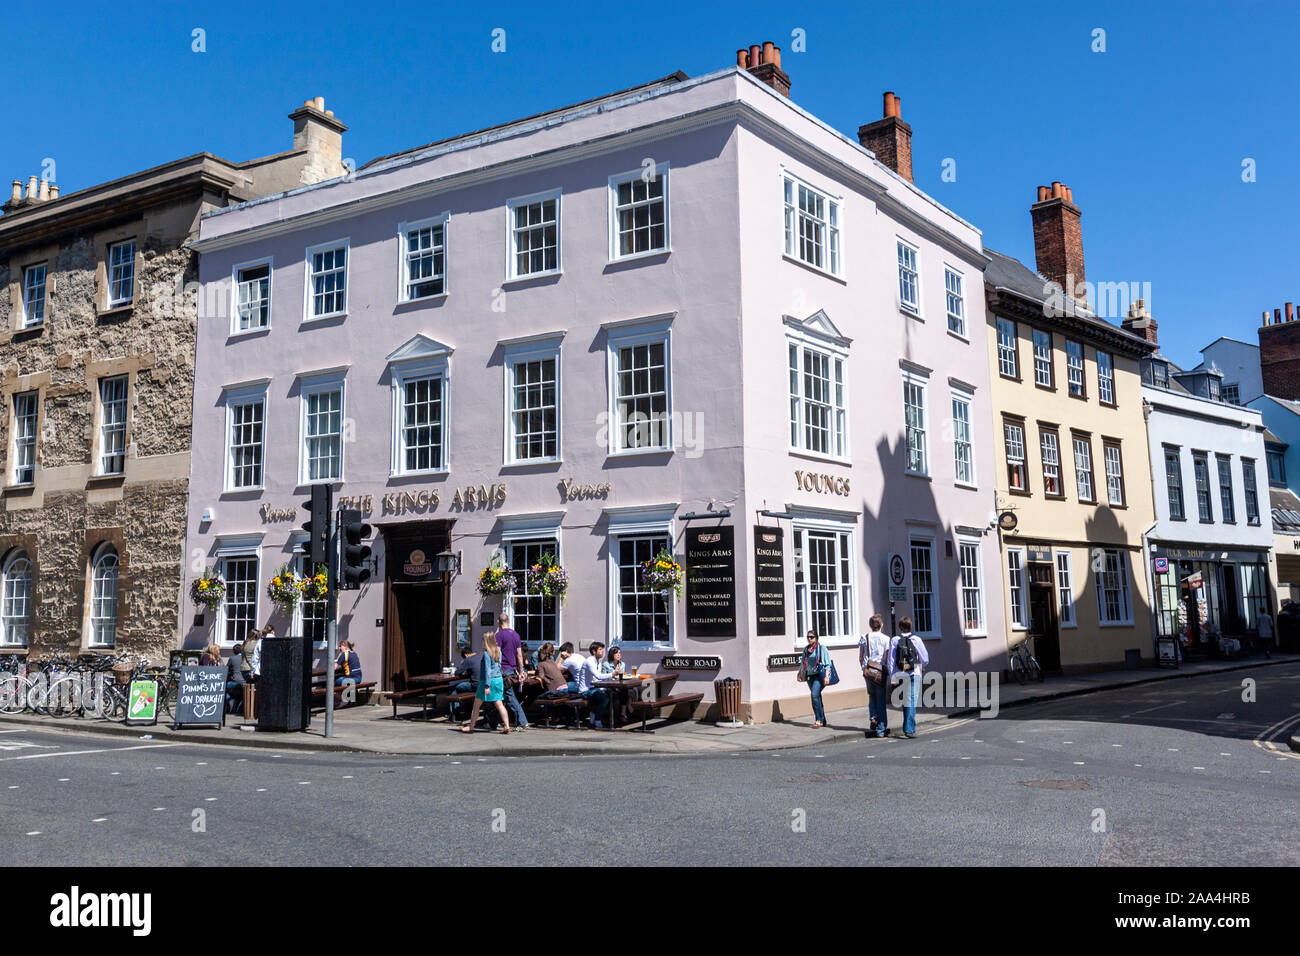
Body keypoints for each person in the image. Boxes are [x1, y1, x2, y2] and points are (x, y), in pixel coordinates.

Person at [887, 616, 929, 739]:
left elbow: (891, 660)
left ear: (900, 627)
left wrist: (892, 676)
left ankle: (908, 727)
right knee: (911, 701)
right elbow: (925, 658)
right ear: (911, 626)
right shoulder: (916, 639)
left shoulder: (895, 640)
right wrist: (921, 666)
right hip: (914, 672)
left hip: (901, 673)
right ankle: (909, 729)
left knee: (907, 701)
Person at [460, 631, 510, 734]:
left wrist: (487, 685)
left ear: (486, 641)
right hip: (498, 680)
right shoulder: (498, 651)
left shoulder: (487, 653)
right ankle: (507, 726)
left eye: (483, 640)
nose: (482, 641)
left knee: (476, 705)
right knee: (499, 704)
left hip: (487, 681)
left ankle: (471, 727)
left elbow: (487, 670)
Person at [491, 613, 529, 731]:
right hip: (512, 670)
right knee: (500, 697)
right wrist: (520, 671)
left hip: (503, 670)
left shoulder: (498, 635)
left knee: (507, 696)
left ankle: (522, 721)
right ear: (508, 621)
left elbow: (496, 655)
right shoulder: (516, 635)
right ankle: (492, 721)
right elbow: (519, 655)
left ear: (498, 622)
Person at [859, 614, 891, 738]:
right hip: (880, 671)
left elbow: (861, 657)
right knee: (881, 699)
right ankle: (881, 729)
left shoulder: (865, 637)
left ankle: (873, 716)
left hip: (868, 671)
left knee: (872, 695)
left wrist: (864, 669)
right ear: (881, 625)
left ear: (871, 625)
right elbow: (886, 657)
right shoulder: (886, 638)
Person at [799, 630, 832, 728]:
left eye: (812, 637)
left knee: (814, 695)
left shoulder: (822, 648)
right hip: (810, 676)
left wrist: (826, 676)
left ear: (816, 638)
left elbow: (827, 663)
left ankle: (819, 720)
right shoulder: (806, 649)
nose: (809, 639)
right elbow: (803, 663)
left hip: (819, 676)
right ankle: (823, 720)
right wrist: (800, 674)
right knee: (816, 697)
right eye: (808, 637)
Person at [575, 641, 611, 728]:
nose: (602, 651)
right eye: (600, 649)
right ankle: (597, 720)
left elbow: (596, 679)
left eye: (603, 649)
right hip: (585, 690)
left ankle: (595, 713)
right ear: (594, 651)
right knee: (604, 698)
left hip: (594, 688)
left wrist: (604, 688)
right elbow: (598, 676)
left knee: (611, 693)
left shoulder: (598, 662)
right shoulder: (589, 661)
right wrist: (612, 674)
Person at [225, 642, 246, 715]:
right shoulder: (245, 658)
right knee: (242, 695)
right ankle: (238, 709)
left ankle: (229, 702)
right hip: (244, 683)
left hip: (235, 682)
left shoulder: (232, 658)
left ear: (234, 651)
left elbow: (226, 670)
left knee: (223, 689)